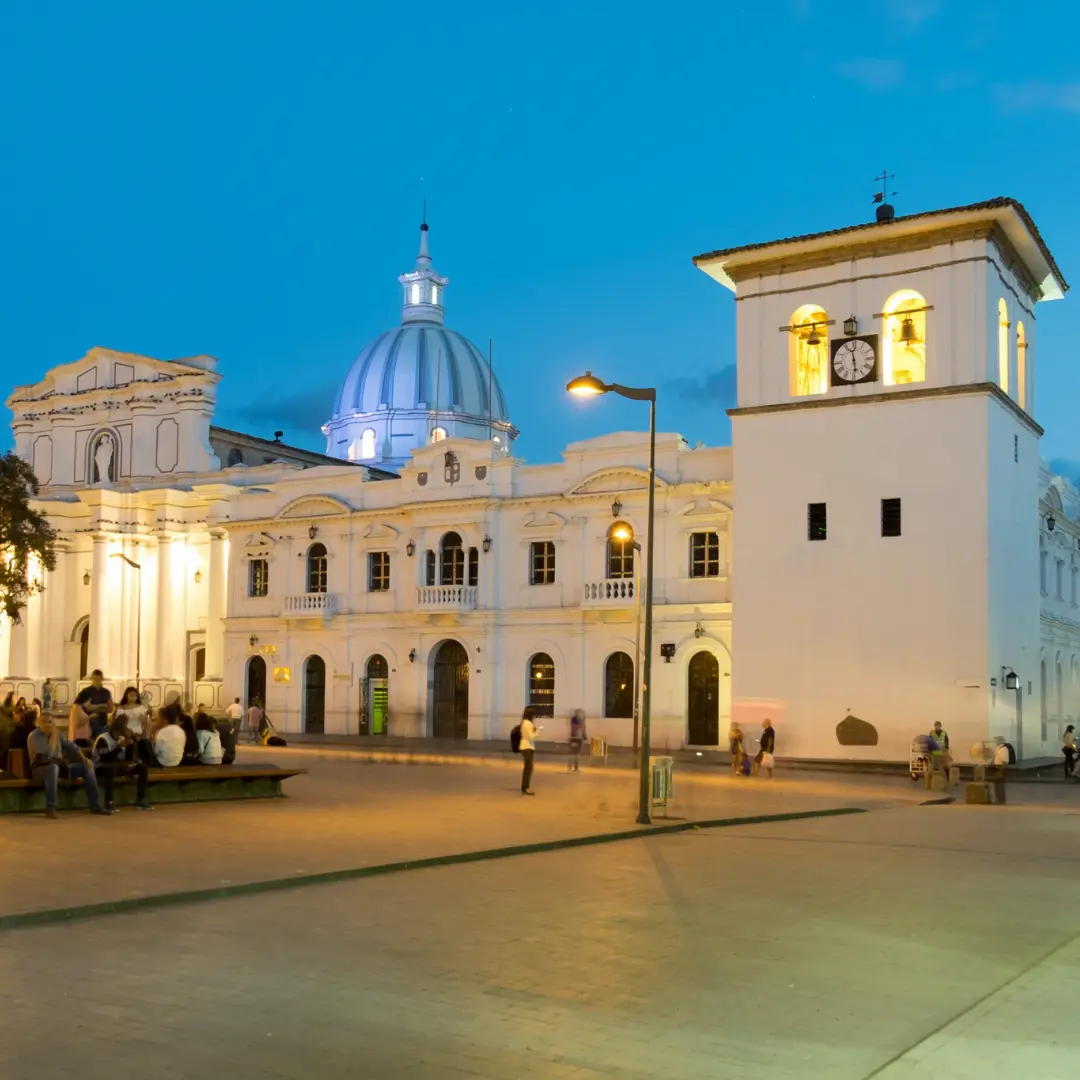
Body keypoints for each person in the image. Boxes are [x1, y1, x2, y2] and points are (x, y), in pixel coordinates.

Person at [27, 713, 108, 818]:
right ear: (39, 723)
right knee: (53, 768)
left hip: (60, 767)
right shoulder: (33, 736)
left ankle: (95, 805)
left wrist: (84, 758)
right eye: (44, 722)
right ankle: (51, 807)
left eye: (50, 722)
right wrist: (52, 742)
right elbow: (44, 755)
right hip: (40, 768)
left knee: (87, 767)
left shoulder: (57, 734)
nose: (47, 724)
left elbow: (72, 747)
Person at [93, 715, 152, 811]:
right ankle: (109, 802)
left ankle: (141, 799)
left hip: (118, 766)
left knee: (143, 767)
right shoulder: (103, 739)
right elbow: (105, 758)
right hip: (101, 767)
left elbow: (128, 759)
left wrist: (132, 743)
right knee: (111, 769)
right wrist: (119, 747)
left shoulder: (122, 738)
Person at [74, 670, 113, 738]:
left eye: (98, 678)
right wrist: (102, 708)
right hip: (89, 721)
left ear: (102, 679)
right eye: (94, 678)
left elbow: (110, 709)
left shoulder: (106, 692)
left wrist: (94, 709)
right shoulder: (86, 691)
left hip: (103, 720)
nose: (96, 681)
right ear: (91, 679)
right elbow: (86, 708)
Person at [519, 706, 541, 795]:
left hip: (526, 747)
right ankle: (526, 787)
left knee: (527, 768)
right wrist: (538, 731)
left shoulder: (525, 722)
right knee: (528, 768)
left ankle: (524, 787)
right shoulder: (527, 723)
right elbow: (531, 737)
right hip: (527, 747)